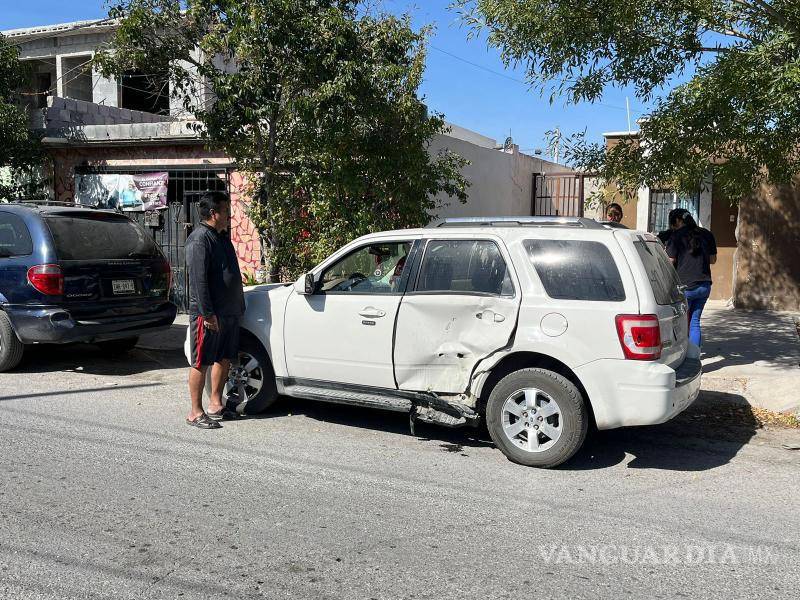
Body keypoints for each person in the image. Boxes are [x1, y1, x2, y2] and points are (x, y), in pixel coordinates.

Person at [185, 191, 245, 429]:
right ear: (214, 213)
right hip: (208, 314)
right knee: (202, 361)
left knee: (224, 357)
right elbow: (199, 281)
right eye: (226, 211)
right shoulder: (199, 239)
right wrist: (207, 313)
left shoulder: (221, 237)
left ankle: (215, 405)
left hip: (228, 311)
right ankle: (195, 412)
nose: (229, 215)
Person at [665, 209, 717, 347]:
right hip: (704, 286)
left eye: (672, 224)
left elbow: (670, 261)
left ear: (677, 221)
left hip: (685, 287)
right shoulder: (707, 234)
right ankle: (694, 356)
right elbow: (713, 260)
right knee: (694, 322)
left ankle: (682, 356)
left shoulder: (676, 236)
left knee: (681, 324)